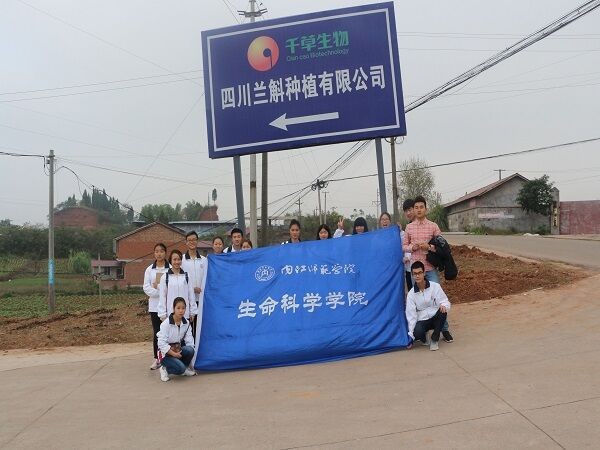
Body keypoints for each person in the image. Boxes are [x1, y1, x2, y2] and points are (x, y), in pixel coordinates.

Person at [402, 196, 453, 342]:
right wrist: (412, 247)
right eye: (416, 207)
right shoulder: (409, 227)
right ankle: (421, 330)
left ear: (426, 209)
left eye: (421, 207)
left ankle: (444, 329)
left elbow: (442, 245)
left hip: (430, 268)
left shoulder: (433, 226)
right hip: (416, 271)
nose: (418, 210)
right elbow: (404, 246)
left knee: (438, 299)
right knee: (417, 302)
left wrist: (429, 247)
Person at [405, 261, 451, 351]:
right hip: (422, 320)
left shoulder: (435, 286)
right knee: (417, 332)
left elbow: (445, 301)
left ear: (424, 273)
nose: (417, 276)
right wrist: (411, 335)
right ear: (412, 275)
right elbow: (411, 315)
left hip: (435, 317)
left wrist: (444, 305)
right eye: (415, 274)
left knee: (443, 311)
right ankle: (424, 337)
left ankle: (434, 338)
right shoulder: (411, 294)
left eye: (419, 273)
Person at [143, 243, 170, 370]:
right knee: (157, 333)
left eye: (161, 251)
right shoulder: (149, 270)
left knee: (169, 333)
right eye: (157, 251)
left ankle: (169, 358)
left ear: (165, 253)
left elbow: (172, 286)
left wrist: (158, 287)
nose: (159, 254)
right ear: (154, 253)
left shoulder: (170, 268)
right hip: (154, 307)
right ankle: (157, 358)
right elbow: (146, 288)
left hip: (168, 306)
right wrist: (161, 292)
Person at [156, 297, 196, 382]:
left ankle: (185, 369)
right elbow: (161, 343)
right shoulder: (166, 324)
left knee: (190, 350)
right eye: (178, 308)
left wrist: (191, 356)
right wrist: (174, 354)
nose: (181, 311)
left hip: (177, 350)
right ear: (173, 309)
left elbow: (189, 340)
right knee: (180, 368)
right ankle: (164, 369)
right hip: (165, 353)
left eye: (183, 308)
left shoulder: (186, 323)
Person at [157, 249, 197, 322]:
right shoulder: (165, 277)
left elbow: (191, 295)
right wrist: (162, 314)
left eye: (179, 259)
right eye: (174, 259)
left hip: (185, 314)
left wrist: (192, 312)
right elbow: (162, 297)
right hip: (170, 314)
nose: (177, 262)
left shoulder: (186, 276)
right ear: (170, 260)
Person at [181, 231, 207, 340]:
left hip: (201, 299)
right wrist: (192, 289)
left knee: (200, 327)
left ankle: (198, 348)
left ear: (197, 241)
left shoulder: (204, 260)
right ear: (186, 242)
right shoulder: (181, 260)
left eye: (194, 240)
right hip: (187, 299)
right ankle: (189, 348)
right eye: (189, 240)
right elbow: (179, 279)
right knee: (188, 328)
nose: (192, 242)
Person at [402, 199, 415, 292]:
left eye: (410, 210)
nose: (408, 213)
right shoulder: (407, 228)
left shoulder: (423, 226)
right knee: (412, 293)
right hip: (409, 268)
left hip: (422, 268)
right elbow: (405, 246)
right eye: (406, 211)